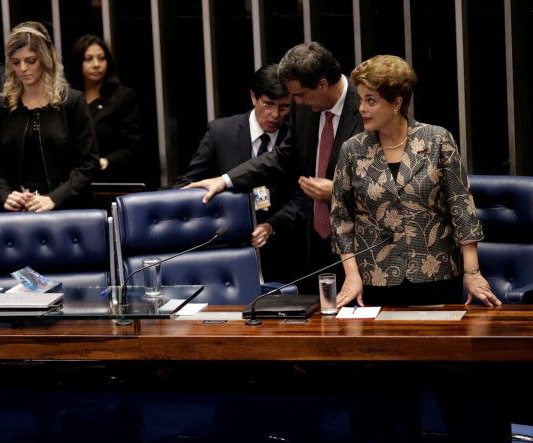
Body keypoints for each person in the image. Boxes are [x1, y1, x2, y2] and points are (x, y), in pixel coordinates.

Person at [183, 42, 364, 293]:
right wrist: (225, 180)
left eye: (299, 95)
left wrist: (338, 192)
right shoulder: (305, 110)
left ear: (322, 85)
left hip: (364, 246)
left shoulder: (368, 103)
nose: (295, 103)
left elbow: (394, 180)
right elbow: (282, 157)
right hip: (315, 247)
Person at [331, 55, 500, 308]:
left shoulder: (437, 140)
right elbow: (341, 218)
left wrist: (472, 273)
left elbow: (462, 208)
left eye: (371, 100)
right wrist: (352, 275)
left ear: (396, 103)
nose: (361, 108)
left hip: (435, 275)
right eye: (360, 99)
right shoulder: (352, 149)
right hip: (375, 278)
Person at [173, 65, 298, 282]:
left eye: (284, 107)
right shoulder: (221, 132)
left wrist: (272, 225)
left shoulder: (294, 136)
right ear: (253, 97)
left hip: (282, 253)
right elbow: (186, 183)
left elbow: (301, 196)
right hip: (226, 250)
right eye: (268, 104)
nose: (275, 115)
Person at [0, 21, 99, 212]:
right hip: (19, 210)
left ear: (46, 59)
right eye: (16, 62)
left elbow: (88, 163)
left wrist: (54, 198)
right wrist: (7, 194)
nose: (22, 68)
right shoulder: (1, 106)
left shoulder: (72, 102)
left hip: (69, 208)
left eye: (31, 61)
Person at [67, 34, 142, 183]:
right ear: (77, 63)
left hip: (110, 179)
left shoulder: (123, 97)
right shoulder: (68, 98)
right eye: (88, 59)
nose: (96, 64)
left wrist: (107, 162)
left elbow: (134, 148)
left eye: (101, 58)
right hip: (72, 181)